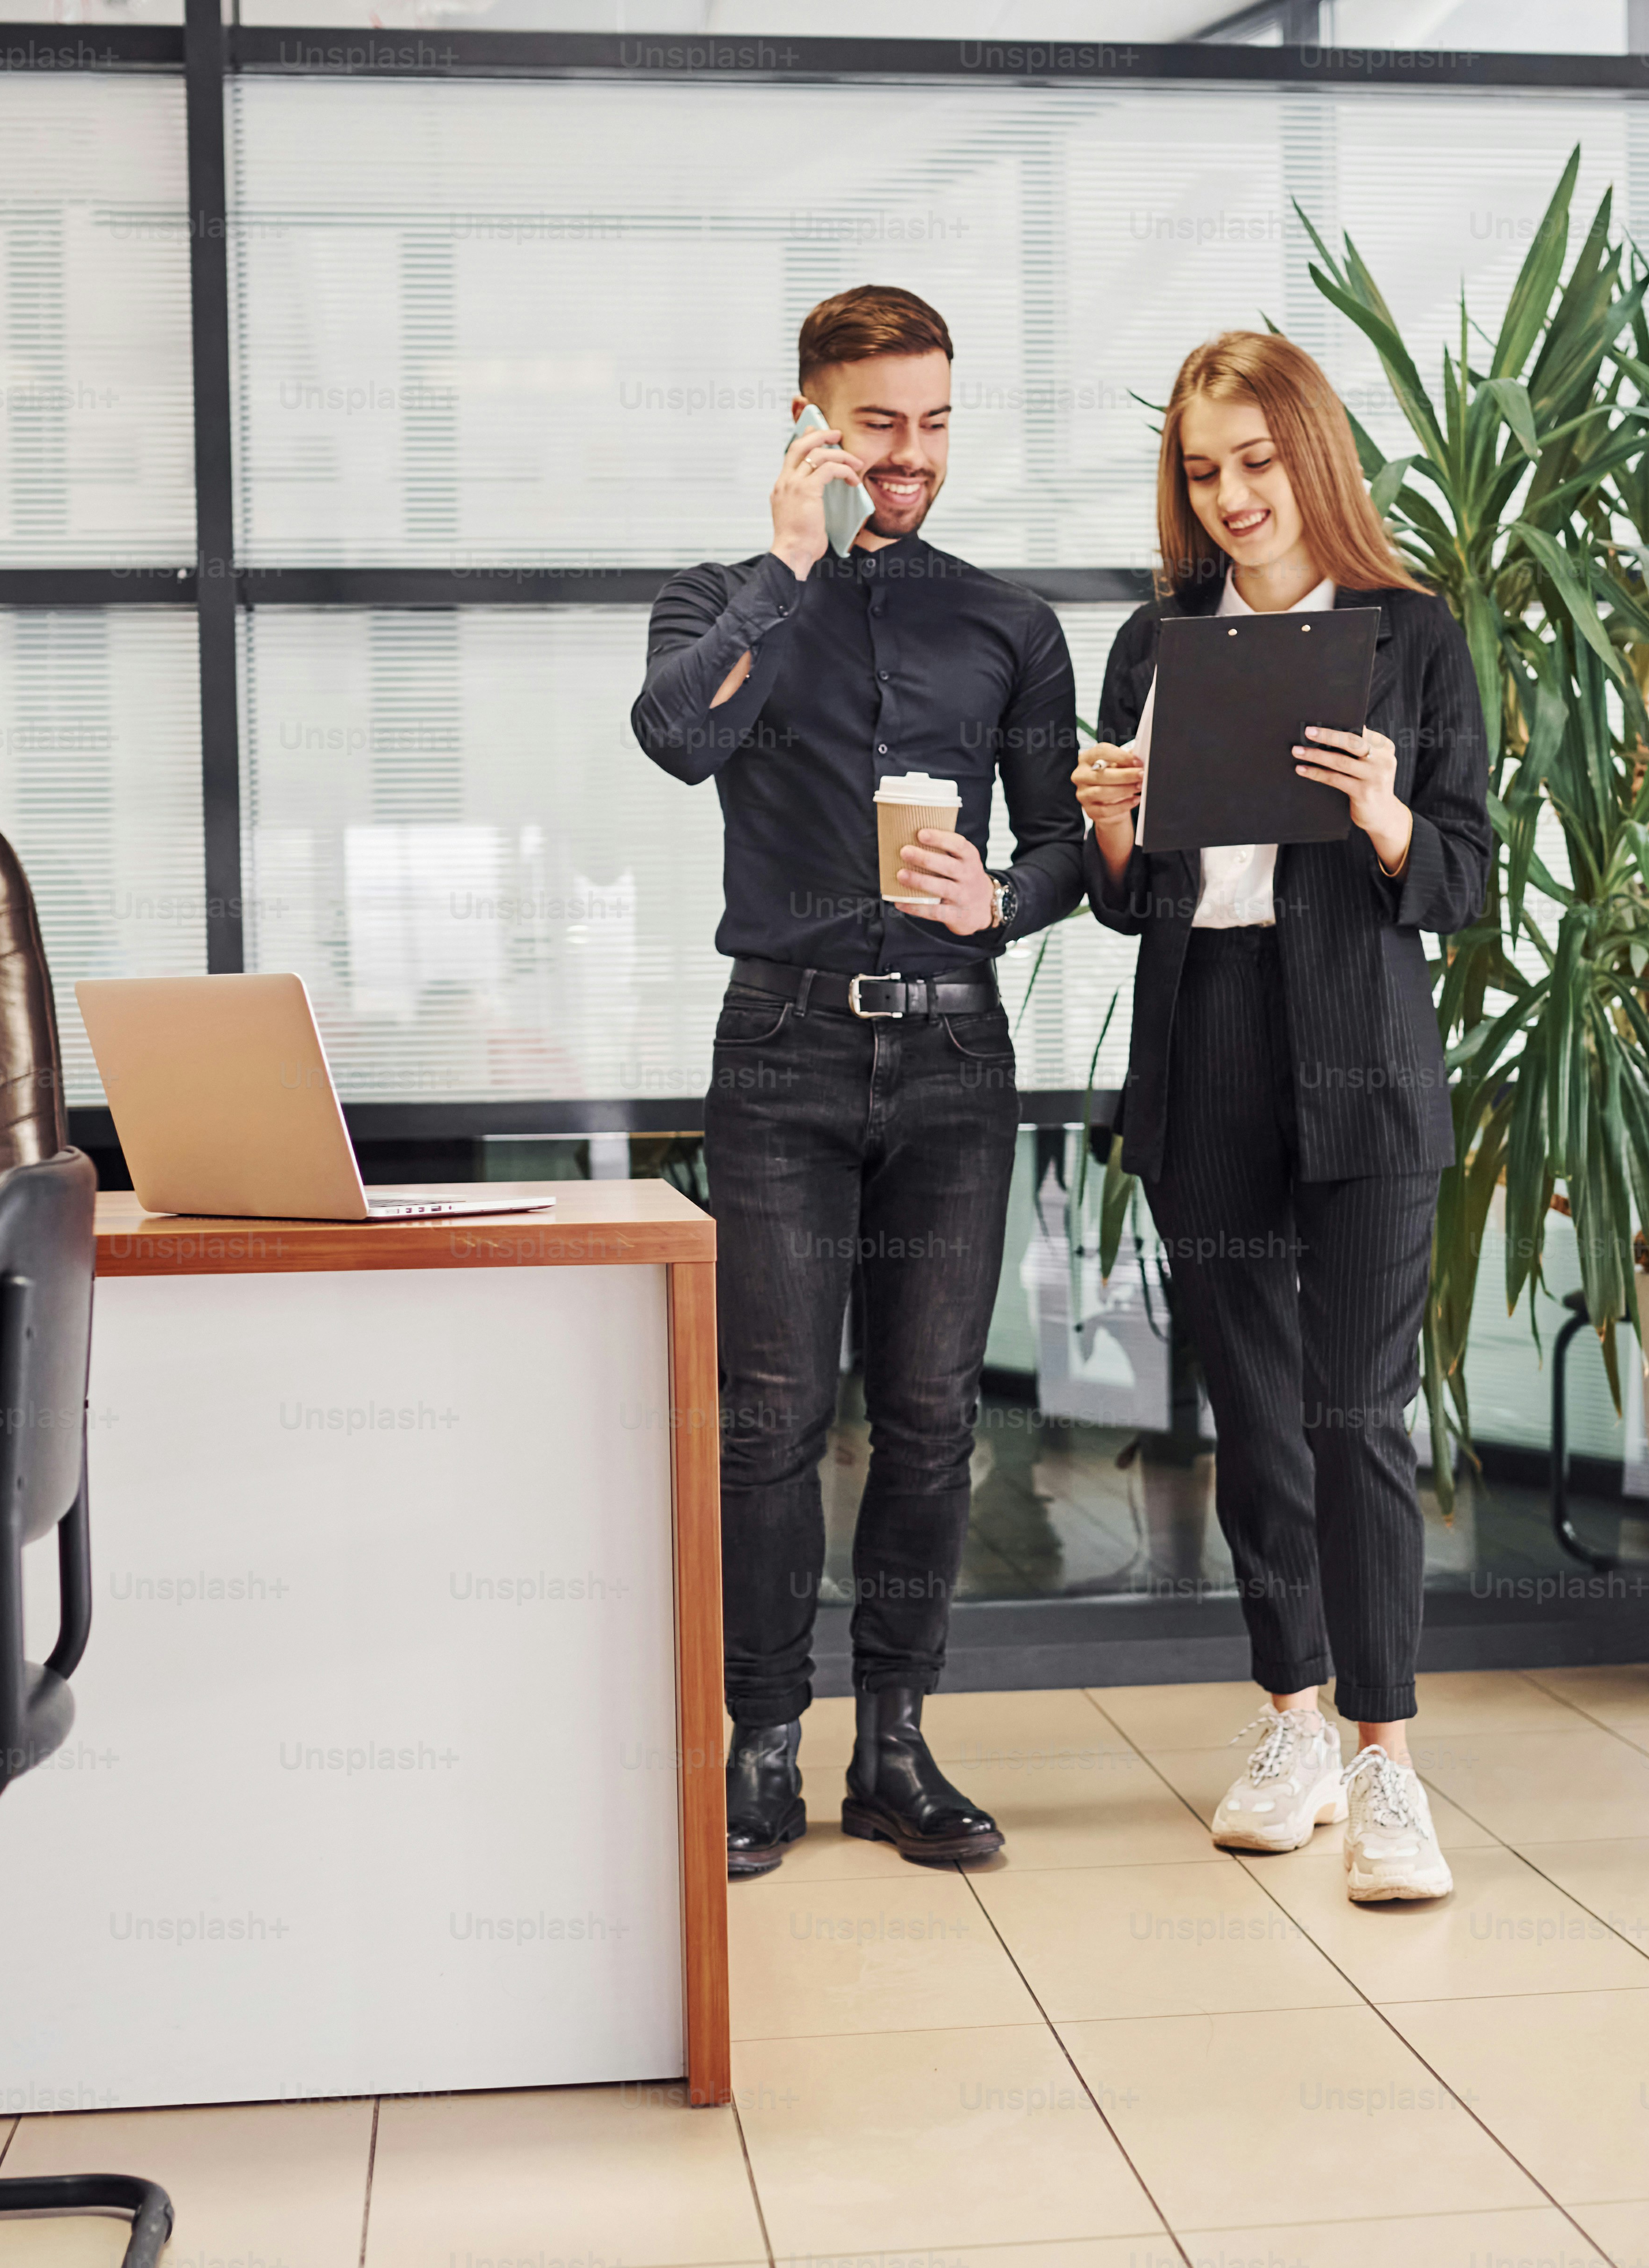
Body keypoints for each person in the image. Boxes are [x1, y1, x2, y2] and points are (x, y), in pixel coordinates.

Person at [631, 285, 1085, 1879]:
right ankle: (765, 1749)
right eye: (880, 424)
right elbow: (674, 739)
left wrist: (1008, 903)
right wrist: (788, 571)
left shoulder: (1011, 627)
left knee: (933, 1414)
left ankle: (894, 1744)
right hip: (782, 1047)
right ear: (812, 420)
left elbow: (1067, 844)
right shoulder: (719, 600)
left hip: (957, 1048)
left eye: (937, 423)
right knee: (768, 1416)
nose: (913, 456)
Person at [1073, 331, 1492, 1902]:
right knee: (1253, 1414)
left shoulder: (1412, 639)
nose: (1234, 496)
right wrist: (1111, 836)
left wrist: (1387, 816)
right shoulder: (1154, 643)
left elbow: (1465, 873)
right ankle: (1292, 1722)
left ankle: (1388, 1764)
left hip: (1364, 1051)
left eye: (1256, 461)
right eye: (1203, 470)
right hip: (1209, 1046)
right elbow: (1131, 908)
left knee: (1357, 1418)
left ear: (1311, 455)